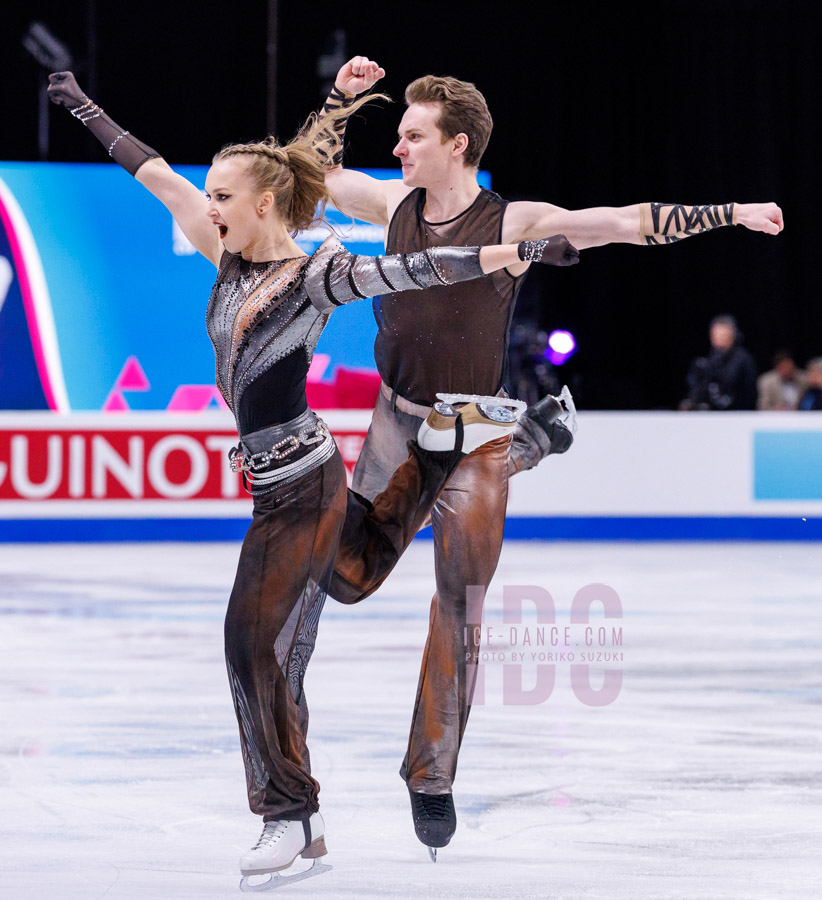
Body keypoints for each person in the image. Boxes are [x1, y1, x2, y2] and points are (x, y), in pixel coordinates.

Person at [47, 70, 579, 888]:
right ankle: (520, 438)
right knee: (355, 574)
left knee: (254, 644)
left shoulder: (316, 275)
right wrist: (83, 106)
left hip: (304, 486)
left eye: (222, 191)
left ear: (263, 204)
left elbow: (420, 270)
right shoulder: (217, 245)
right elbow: (151, 170)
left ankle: (289, 819)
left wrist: (520, 250)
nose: (207, 201)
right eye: (210, 191)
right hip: (287, 482)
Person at [316, 55, 785, 857]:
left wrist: (732, 210)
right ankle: (535, 441)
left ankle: (431, 773)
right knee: (346, 579)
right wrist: (339, 101)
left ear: (456, 144)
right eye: (396, 135)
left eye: (412, 135)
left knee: (459, 603)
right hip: (395, 425)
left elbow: (623, 221)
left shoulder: (514, 222)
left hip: (471, 434)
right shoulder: (391, 205)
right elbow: (309, 172)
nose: (397, 149)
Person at [681, 314, 759, 411]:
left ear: (732, 335)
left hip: (736, 414)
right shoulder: (706, 360)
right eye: (716, 334)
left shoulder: (743, 359)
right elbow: (698, 388)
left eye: (723, 334)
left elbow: (749, 392)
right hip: (710, 414)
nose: (719, 338)